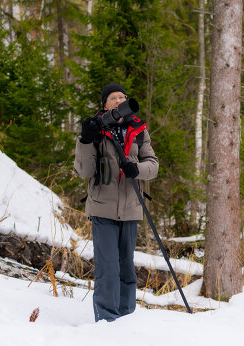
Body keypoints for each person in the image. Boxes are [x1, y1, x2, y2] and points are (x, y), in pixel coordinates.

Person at [74, 83, 159, 322]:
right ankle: (107, 320)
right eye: (114, 97)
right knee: (108, 269)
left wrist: (137, 169)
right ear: (105, 104)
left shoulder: (139, 129)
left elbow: (153, 165)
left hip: (131, 209)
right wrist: (85, 140)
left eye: (123, 96)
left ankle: (126, 319)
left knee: (126, 269)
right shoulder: (95, 129)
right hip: (103, 208)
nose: (120, 100)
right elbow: (84, 171)